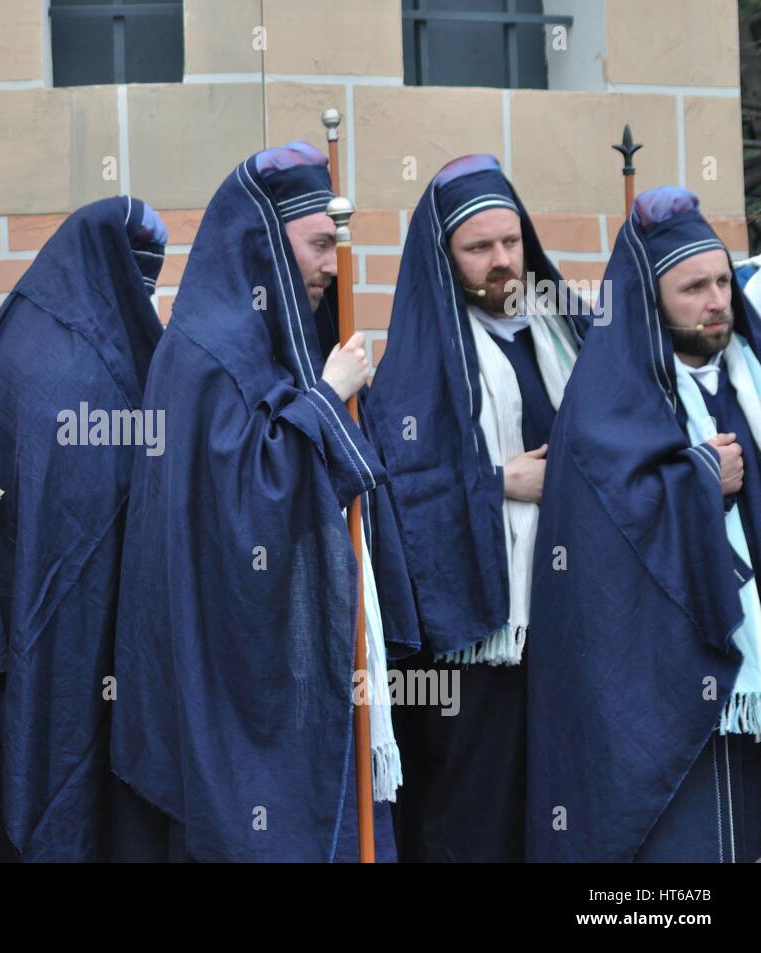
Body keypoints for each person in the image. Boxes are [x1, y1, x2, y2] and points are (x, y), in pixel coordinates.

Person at [111, 142, 405, 862]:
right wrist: (328, 399)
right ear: (262, 243)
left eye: (334, 245)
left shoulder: (280, 337)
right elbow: (243, 504)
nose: (333, 266)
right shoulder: (209, 350)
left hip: (301, 642)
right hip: (244, 663)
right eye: (316, 246)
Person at [528, 186, 761, 862]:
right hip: (665, 680)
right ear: (651, 299)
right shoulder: (605, 403)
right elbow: (599, 536)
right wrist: (694, 480)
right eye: (692, 288)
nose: (715, 299)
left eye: (721, 280)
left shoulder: (752, 376)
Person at [364, 154, 585, 862]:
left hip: (567, 614)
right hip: (473, 635)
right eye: (479, 247)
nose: (501, 260)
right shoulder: (415, 366)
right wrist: (494, 485)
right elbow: (400, 497)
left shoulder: (569, 336)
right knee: (473, 815)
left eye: (511, 241)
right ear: (445, 256)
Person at [0, 195, 168, 861]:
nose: (143, 301)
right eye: (141, 281)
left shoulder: (1, 339)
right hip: (70, 666)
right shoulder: (83, 371)